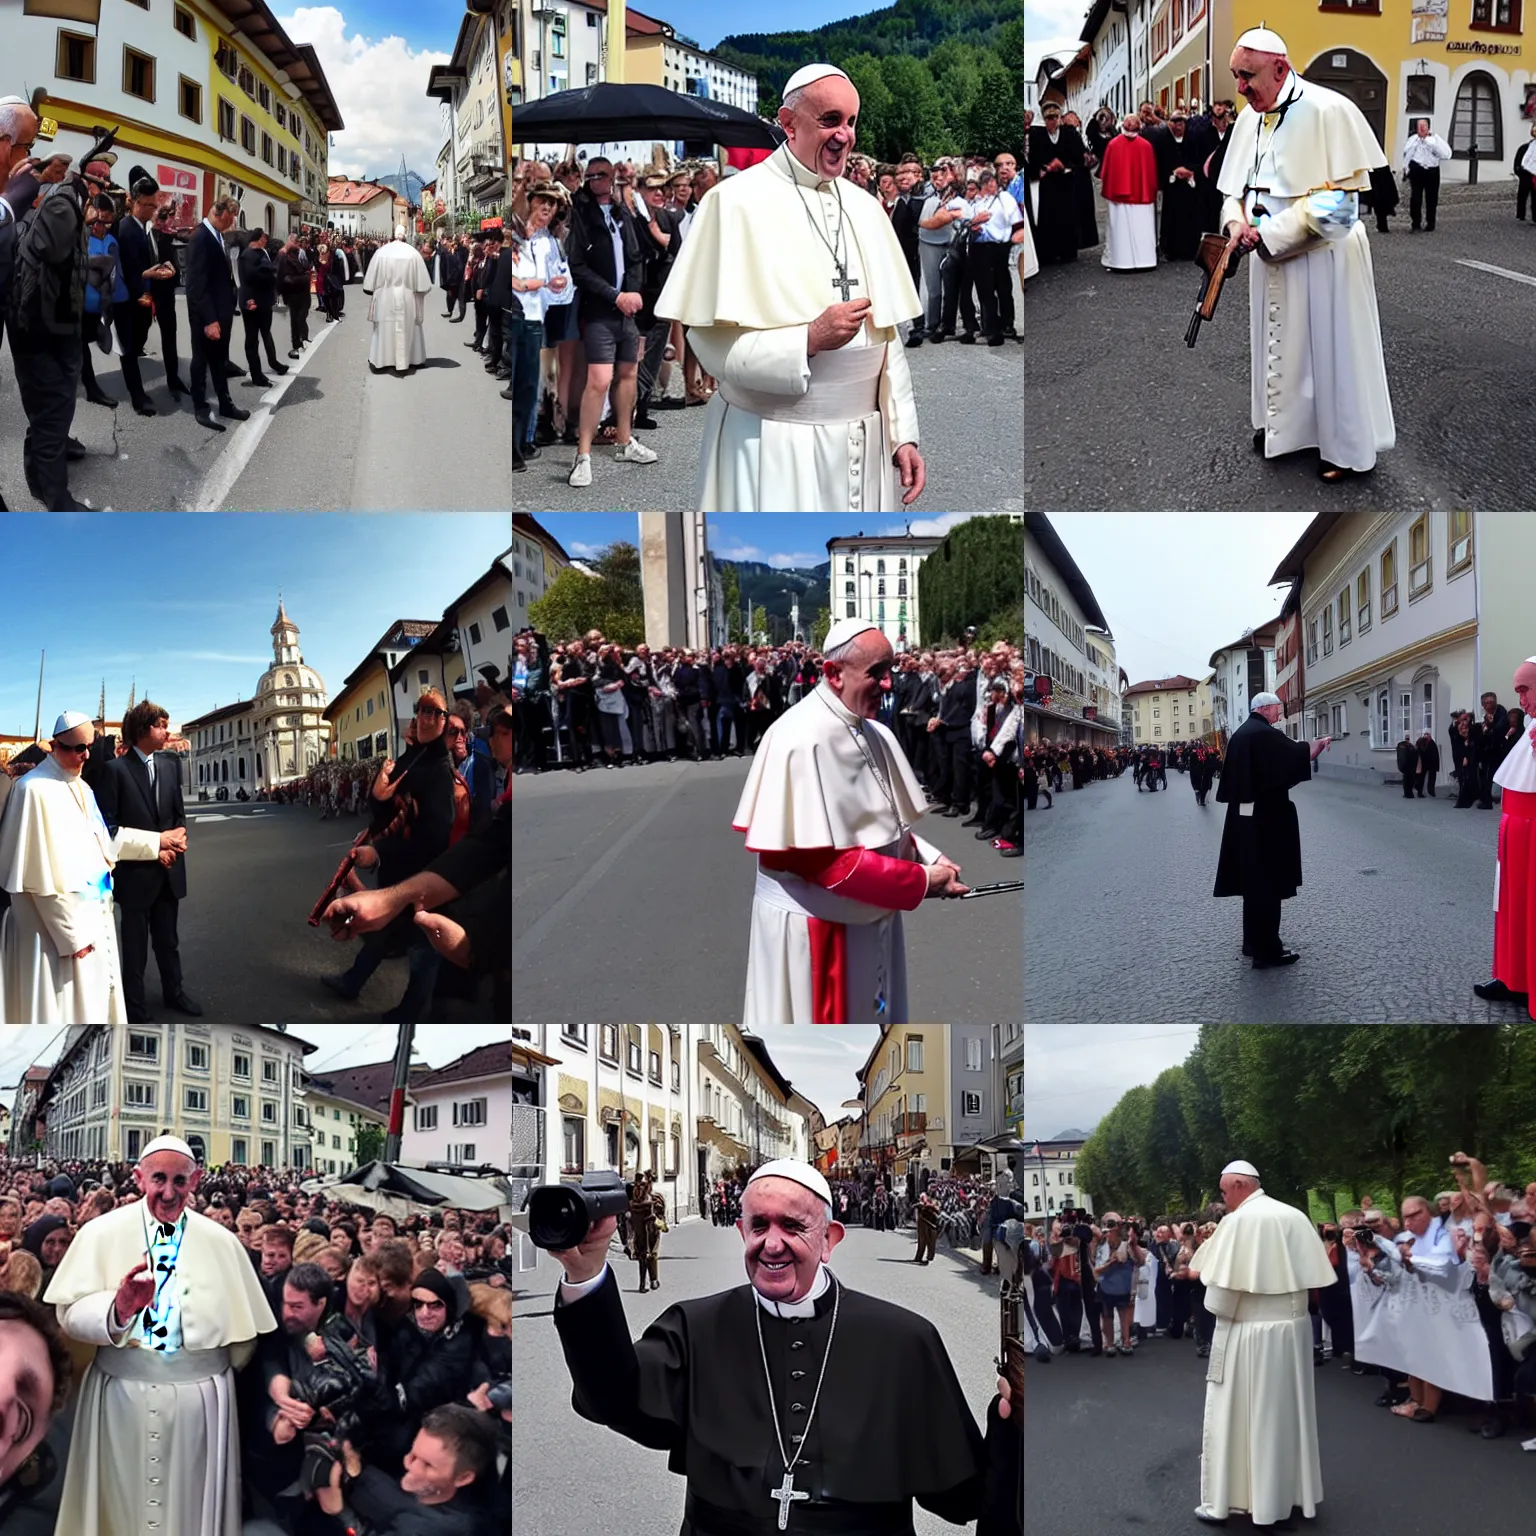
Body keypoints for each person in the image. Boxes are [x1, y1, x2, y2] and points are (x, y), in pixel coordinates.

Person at [547, 1159, 1018, 1535]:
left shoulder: (904, 1341)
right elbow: (612, 1399)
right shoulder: (695, 1326)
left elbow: (961, 1494)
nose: (772, 1244)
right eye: (759, 1226)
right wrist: (586, 1275)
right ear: (742, 1234)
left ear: (830, 1239)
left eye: (793, 1226)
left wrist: (1014, 1420)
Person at [655, 64, 925, 511]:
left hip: (866, 439)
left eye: (852, 122)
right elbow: (708, 341)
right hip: (772, 439)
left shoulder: (866, 207)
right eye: (830, 120)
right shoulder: (733, 203)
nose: (845, 135)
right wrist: (807, 340)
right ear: (788, 122)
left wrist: (903, 434)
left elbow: (887, 336)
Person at [731, 619, 968, 1023]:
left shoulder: (870, 729)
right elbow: (823, 864)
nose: (888, 685)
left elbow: (885, 821)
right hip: (820, 932)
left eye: (890, 671)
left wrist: (930, 856)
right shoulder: (800, 739)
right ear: (833, 674)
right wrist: (923, 881)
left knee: (877, 1018)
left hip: (867, 919)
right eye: (875, 673)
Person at [43, 1135, 278, 1535]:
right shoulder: (101, 1233)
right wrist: (118, 1310)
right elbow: (69, 1314)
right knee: (118, 1505)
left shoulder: (223, 1244)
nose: (168, 1192)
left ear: (196, 1180)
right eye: (158, 1179)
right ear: (138, 1178)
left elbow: (244, 1339)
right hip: (120, 1398)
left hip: (199, 1402)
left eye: (179, 1181)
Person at [1217, 27, 1395, 482]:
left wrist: (1270, 235)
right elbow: (1232, 191)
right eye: (1236, 76)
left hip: (1323, 259)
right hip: (1268, 256)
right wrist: (1235, 223)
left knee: (1331, 353)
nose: (1240, 89)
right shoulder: (1247, 119)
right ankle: (1283, 430)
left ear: (1280, 68)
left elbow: (1342, 208)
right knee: (1279, 348)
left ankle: (1343, 448)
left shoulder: (1329, 110)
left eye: (1248, 76)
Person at [0, 712, 178, 1023]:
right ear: (55, 746)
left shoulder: (81, 787)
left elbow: (104, 844)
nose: (84, 755)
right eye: (77, 749)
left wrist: (157, 843)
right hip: (54, 934)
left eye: (89, 749)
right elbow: (35, 879)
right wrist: (71, 936)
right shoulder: (32, 790)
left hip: (92, 918)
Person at [1188, 1160, 1335, 1527]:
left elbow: (1220, 1299)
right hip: (1294, 1329)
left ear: (1239, 1184)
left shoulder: (1239, 1222)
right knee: (1287, 1413)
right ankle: (1292, 1495)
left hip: (1251, 1333)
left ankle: (1240, 1500)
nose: (1223, 1199)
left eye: (1224, 1191)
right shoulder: (1294, 1216)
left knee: (1244, 1414)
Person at [91, 698, 200, 1022]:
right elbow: (108, 830)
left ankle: (175, 993)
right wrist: (157, 848)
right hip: (135, 876)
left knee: (169, 942)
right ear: (141, 730)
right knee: (135, 949)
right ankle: (134, 1008)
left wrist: (176, 847)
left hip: (168, 873)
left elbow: (178, 816)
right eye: (160, 725)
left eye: (167, 725)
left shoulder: (169, 765)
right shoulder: (115, 771)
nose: (167, 731)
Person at [1213, 693, 1332, 969]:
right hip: (1266, 822)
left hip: (1244, 820)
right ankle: (1267, 950)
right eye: (1277, 710)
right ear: (1265, 709)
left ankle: (1251, 942)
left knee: (1252, 885)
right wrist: (1316, 746)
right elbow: (1296, 755)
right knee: (1268, 883)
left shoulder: (1243, 733)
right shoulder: (1263, 734)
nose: (1279, 715)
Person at [1472, 657, 1536, 1016]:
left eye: (1526, 689)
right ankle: (1511, 977)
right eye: (1518, 691)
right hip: (1514, 838)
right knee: (1510, 908)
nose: (1521, 699)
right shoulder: (1529, 726)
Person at [184, 194, 250, 432]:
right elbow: (196, 286)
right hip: (206, 315)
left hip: (220, 313)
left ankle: (225, 403)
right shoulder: (200, 238)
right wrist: (210, 320)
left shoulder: (216, 235)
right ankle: (201, 407)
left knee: (219, 362)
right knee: (200, 362)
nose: (232, 222)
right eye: (230, 217)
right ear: (220, 213)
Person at [363, 222, 431, 375]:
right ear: (405, 235)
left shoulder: (382, 252)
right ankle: (411, 359)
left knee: (384, 329)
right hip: (406, 297)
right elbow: (423, 285)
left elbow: (369, 283)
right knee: (408, 327)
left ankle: (383, 360)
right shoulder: (412, 253)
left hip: (385, 296)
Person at [1099, 115, 1159, 271]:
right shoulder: (1146, 146)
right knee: (1142, 228)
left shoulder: (1113, 145)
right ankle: (1145, 260)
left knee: (1120, 229)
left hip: (1118, 195)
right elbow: (1151, 175)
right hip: (1142, 194)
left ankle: (1120, 261)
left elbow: (1105, 172)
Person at [1026, 102, 1084, 264]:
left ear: (1060, 118)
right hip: (1048, 181)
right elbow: (1033, 158)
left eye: (1055, 117)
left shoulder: (1069, 134)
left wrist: (1064, 166)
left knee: (1067, 214)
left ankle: (1068, 250)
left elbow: (1078, 157)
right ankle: (1049, 252)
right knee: (1049, 215)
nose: (1052, 121)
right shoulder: (1038, 135)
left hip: (1065, 179)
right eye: (1048, 118)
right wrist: (1044, 168)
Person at [235, 225, 287, 388]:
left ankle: (274, 363)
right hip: (253, 303)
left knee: (265, 332)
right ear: (258, 238)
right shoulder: (247, 255)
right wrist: (250, 300)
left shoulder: (261, 253)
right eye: (265, 237)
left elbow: (271, 271)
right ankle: (256, 375)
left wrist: (270, 273)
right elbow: (248, 279)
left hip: (264, 302)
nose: (267, 240)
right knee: (252, 340)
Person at [1157, 109, 1206, 260]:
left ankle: (1191, 249)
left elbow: (1200, 160)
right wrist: (1173, 171)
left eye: (1181, 123)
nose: (1178, 127)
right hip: (1172, 188)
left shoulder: (1193, 139)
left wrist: (1189, 171)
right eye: (1175, 123)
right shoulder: (1164, 140)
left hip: (1189, 187)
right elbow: (1160, 162)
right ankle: (1170, 250)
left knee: (1190, 218)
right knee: (1171, 219)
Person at [1401, 118, 1451, 232]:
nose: (1422, 128)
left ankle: (1430, 223)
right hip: (1417, 169)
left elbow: (1446, 155)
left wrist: (1431, 143)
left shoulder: (1436, 140)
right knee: (1415, 198)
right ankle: (1416, 224)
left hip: (1432, 171)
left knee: (1432, 198)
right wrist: (1406, 169)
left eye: (1424, 126)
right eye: (1419, 126)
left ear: (1428, 127)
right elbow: (1407, 154)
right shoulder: (1413, 140)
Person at [273, 232, 312, 359]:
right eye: (295, 243)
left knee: (300, 318)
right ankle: (297, 344)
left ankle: (302, 340)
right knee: (295, 320)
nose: (298, 245)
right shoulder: (283, 255)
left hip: (302, 292)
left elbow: (306, 267)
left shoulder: (298, 253)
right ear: (290, 241)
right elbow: (280, 275)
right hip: (293, 292)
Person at [1516, 122, 1536, 221]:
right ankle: (1521, 214)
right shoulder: (1525, 147)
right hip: (1526, 174)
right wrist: (1519, 171)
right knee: (1522, 195)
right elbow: (1518, 160)